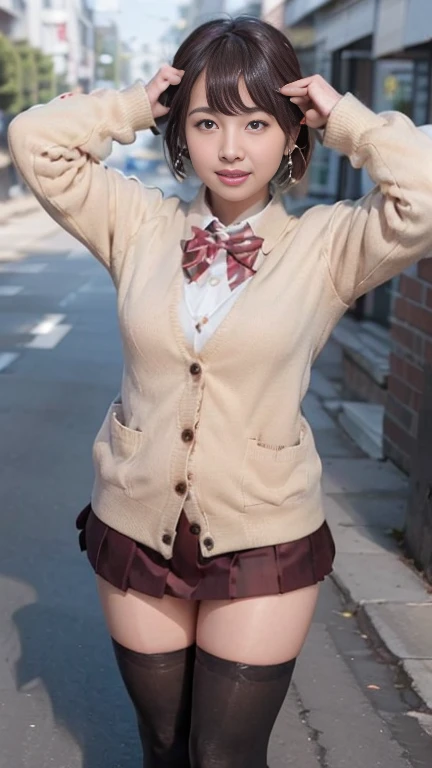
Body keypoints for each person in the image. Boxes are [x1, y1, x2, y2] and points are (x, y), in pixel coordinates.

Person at [8, 15, 432, 768]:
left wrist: (349, 121)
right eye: (206, 121)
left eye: (257, 123)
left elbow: (425, 191)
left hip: (263, 532)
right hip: (137, 523)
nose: (231, 149)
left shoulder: (329, 245)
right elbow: (34, 142)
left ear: (292, 133)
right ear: (181, 131)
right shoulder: (136, 224)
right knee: (165, 747)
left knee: (224, 756)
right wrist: (135, 104)